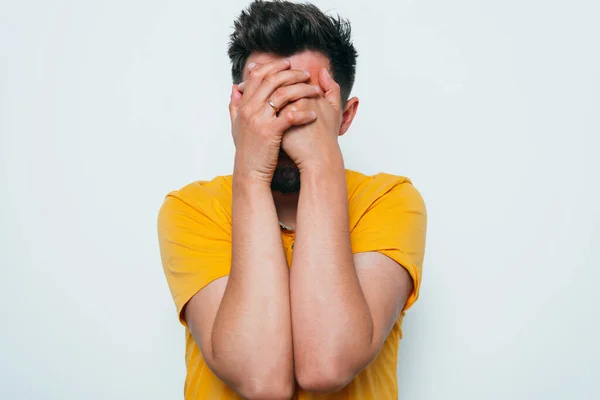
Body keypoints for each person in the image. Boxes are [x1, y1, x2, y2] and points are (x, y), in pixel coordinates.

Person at [157, 1, 427, 399]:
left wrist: (319, 163)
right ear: (237, 110)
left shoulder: (387, 200)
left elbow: (326, 365)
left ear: (345, 116)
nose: (282, 121)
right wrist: (250, 171)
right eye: (267, 101)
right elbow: (261, 379)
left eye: (303, 103)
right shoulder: (192, 208)